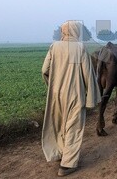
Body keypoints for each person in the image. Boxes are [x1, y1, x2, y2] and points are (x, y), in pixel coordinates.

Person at [41, 20, 101, 177]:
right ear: (76, 31)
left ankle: (59, 152)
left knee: (59, 125)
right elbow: (88, 74)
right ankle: (67, 165)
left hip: (56, 95)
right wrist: (91, 98)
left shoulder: (54, 46)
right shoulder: (80, 47)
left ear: (64, 31)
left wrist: (52, 86)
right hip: (75, 94)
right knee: (73, 128)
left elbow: (44, 70)